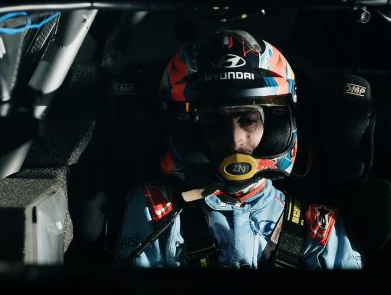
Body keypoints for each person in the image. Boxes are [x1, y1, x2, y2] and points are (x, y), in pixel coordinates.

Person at [116, 29, 363, 269]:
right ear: (189, 133)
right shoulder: (156, 210)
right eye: (215, 124)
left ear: (276, 127)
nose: (235, 141)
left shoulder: (318, 227)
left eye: (248, 121)